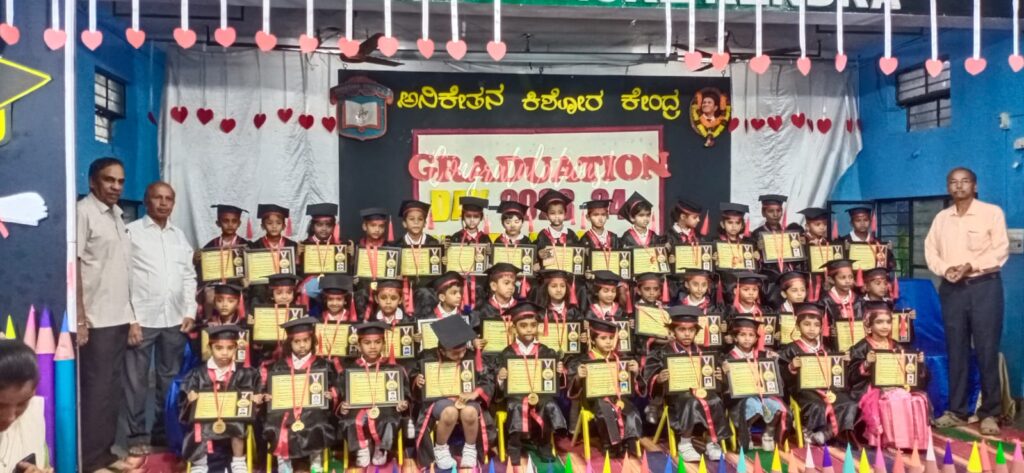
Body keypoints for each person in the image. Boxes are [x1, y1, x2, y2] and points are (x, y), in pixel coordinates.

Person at [925, 167, 1009, 435]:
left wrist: (970, 265)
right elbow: (931, 251)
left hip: (984, 287)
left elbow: (1001, 250)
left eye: (964, 181)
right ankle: (957, 411)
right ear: (948, 187)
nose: (959, 186)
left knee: (986, 349)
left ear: (975, 186)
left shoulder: (991, 213)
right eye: (953, 182)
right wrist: (945, 269)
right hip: (952, 290)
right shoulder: (942, 218)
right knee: (956, 350)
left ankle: (991, 413)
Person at [76, 157, 141, 473]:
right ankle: (89, 461)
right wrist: (80, 318)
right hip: (95, 320)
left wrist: (131, 318)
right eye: (108, 180)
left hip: (118, 318)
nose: (116, 186)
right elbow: (74, 265)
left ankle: (106, 454)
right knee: (96, 393)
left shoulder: (118, 215)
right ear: (92, 182)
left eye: (120, 181)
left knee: (112, 392)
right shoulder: (83, 212)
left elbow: (122, 272)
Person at [124, 181, 198, 453]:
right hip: (141, 320)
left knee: (169, 380)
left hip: (175, 320)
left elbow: (189, 276)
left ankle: (163, 433)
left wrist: (190, 311)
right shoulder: (131, 233)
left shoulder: (179, 236)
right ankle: (135, 437)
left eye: (169, 198)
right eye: (158, 198)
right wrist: (130, 319)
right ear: (146, 201)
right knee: (136, 381)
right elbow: (121, 278)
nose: (164, 203)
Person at [641, 306, 729, 461]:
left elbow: (716, 380)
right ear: (673, 331)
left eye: (691, 330)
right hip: (675, 396)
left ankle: (712, 442)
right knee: (690, 400)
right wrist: (658, 379)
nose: (687, 334)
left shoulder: (704, 353)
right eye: (682, 329)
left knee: (715, 400)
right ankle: (685, 443)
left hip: (702, 391)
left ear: (696, 332)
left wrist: (719, 377)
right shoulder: (662, 352)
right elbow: (649, 378)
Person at [412, 315, 496, 470]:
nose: (460, 356)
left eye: (463, 351)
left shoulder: (471, 356)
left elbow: (488, 380)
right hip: (439, 400)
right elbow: (413, 378)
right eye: (455, 353)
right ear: (442, 350)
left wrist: (475, 393)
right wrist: (417, 380)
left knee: (470, 412)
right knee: (449, 412)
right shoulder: (428, 357)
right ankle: (441, 448)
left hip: (466, 398)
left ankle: (470, 449)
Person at [848, 302, 931, 449]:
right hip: (871, 388)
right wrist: (866, 363)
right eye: (879, 322)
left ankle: (914, 442)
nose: (885, 326)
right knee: (896, 397)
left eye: (888, 322)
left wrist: (918, 363)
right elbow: (851, 377)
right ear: (869, 325)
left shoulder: (896, 345)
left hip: (897, 384)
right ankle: (894, 441)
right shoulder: (861, 347)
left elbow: (911, 373)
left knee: (917, 399)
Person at [178, 325, 261, 473]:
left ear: (236, 348)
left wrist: (256, 397)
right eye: (219, 348)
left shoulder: (244, 372)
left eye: (230, 348)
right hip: (207, 415)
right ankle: (199, 463)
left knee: (238, 424)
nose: (224, 353)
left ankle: (238, 461)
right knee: (198, 426)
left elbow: (254, 390)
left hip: (232, 415)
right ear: (210, 348)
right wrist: (190, 396)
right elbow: (187, 392)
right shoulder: (198, 373)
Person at [262, 317, 338, 473]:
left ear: (312, 341)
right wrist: (267, 397)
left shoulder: (323, 365)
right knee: (277, 424)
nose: (302, 345)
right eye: (297, 342)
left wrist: (332, 394)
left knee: (318, 422)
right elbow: (269, 390)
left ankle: (315, 460)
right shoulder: (279, 366)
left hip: (312, 409)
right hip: (286, 409)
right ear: (289, 343)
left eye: (306, 340)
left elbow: (335, 386)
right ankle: (283, 460)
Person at [496, 303, 568, 466]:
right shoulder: (507, 353)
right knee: (515, 406)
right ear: (514, 329)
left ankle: (544, 444)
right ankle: (514, 447)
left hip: (540, 394)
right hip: (516, 395)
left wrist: (558, 372)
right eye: (523, 325)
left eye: (533, 325)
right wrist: (500, 378)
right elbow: (500, 388)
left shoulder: (546, 351)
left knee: (548, 404)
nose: (529, 329)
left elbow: (553, 381)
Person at [776, 303, 858, 446]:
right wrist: (791, 367)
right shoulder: (790, 349)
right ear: (798, 326)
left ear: (821, 328)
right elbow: (781, 377)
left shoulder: (827, 349)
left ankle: (825, 433)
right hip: (804, 391)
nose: (812, 329)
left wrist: (843, 363)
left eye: (816, 325)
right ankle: (810, 430)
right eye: (807, 324)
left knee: (849, 402)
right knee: (816, 405)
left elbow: (836, 374)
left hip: (828, 389)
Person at [565, 318, 642, 458]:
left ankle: (627, 441)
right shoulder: (583, 360)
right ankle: (609, 443)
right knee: (604, 409)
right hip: (593, 400)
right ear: (593, 340)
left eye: (611, 338)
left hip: (618, 397)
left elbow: (631, 384)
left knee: (631, 411)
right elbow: (573, 389)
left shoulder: (621, 359)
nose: (608, 342)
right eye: (603, 338)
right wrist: (578, 377)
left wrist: (635, 372)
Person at [337, 322, 411, 468]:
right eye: (367, 343)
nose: (372, 347)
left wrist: (403, 403)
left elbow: (405, 393)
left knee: (389, 418)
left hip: (385, 407)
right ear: (359, 346)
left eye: (377, 342)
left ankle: (380, 448)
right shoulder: (350, 370)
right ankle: (362, 448)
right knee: (351, 419)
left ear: (383, 344)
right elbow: (341, 394)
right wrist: (342, 406)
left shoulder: (393, 368)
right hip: (358, 407)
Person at [721, 317, 787, 452]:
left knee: (777, 407)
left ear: (757, 338)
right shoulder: (727, 358)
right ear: (735, 337)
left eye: (751, 335)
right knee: (754, 406)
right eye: (742, 335)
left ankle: (768, 434)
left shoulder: (763, 356)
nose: (747, 339)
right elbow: (723, 387)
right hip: (738, 398)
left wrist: (773, 363)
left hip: (760, 394)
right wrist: (723, 373)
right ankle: (745, 432)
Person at [0, 339, 51, 473]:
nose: (10, 417)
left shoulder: (32, 418)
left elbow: (44, 462)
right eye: (1, 406)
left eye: (22, 403)